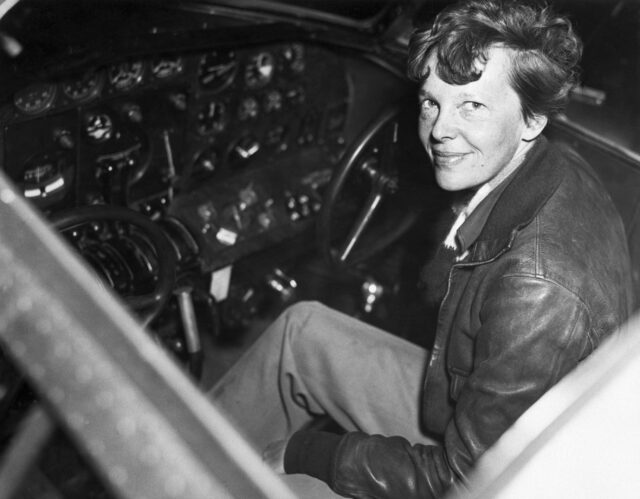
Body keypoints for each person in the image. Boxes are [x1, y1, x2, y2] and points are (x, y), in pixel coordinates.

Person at [209, 0, 632, 497]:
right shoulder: (552, 163)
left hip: (504, 483)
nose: (439, 130)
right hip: (471, 410)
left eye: (472, 105)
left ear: (532, 119)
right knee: (301, 334)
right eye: (432, 102)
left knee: (288, 481)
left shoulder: (538, 290)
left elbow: (464, 480)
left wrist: (308, 453)